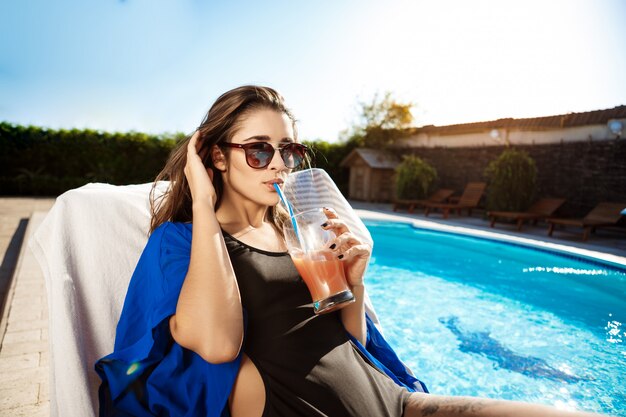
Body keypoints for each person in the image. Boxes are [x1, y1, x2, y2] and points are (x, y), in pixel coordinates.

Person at [95, 85, 604, 417]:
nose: (278, 165)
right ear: (216, 157)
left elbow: (345, 335)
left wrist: (355, 283)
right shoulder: (182, 241)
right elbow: (217, 345)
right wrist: (203, 206)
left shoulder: (298, 229)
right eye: (258, 149)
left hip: (397, 404)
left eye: (288, 150)